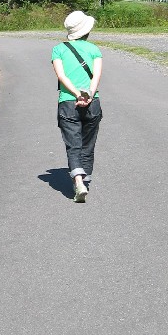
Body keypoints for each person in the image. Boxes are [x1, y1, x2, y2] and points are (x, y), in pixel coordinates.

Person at [51, 11, 103, 203]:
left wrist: (75, 94)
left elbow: (61, 76)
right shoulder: (94, 50)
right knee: (88, 145)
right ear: (87, 31)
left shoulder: (58, 49)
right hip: (92, 102)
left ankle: (78, 182)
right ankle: (85, 181)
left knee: (73, 145)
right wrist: (87, 93)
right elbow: (96, 76)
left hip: (67, 102)